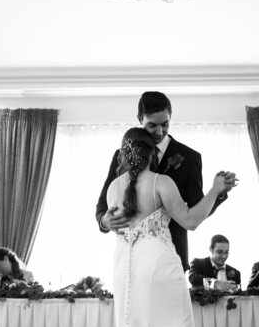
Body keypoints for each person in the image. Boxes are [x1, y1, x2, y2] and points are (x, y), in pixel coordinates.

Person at [63, 127, 238, 327]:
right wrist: (214, 190)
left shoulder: (115, 187)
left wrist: (105, 222)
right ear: (152, 153)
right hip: (157, 266)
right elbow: (191, 221)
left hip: (126, 265)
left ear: (123, 153)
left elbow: (107, 219)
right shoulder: (161, 182)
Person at [96, 91, 232, 272]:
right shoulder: (122, 156)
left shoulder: (190, 158)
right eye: (152, 125)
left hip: (171, 257)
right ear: (140, 119)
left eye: (165, 124)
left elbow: (195, 212)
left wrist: (218, 193)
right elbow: (102, 207)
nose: (159, 132)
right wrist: (105, 222)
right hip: (131, 261)